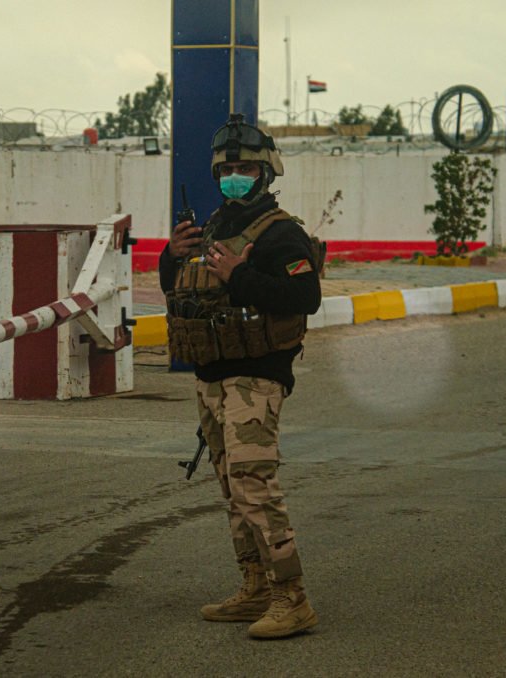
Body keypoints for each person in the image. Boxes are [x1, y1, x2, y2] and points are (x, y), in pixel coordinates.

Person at [159, 113, 322, 639]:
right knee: (232, 485)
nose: (235, 174)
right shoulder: (213, 226)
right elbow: (184, 289)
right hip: (212, 377)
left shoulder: (281, 234)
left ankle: (291, 598)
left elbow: (305, 297)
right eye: (227, 167)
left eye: (245, 166)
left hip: (257, 377)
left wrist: (241, 274)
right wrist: (171, 257)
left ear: (266, 170)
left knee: (255, 483)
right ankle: (254, 587)